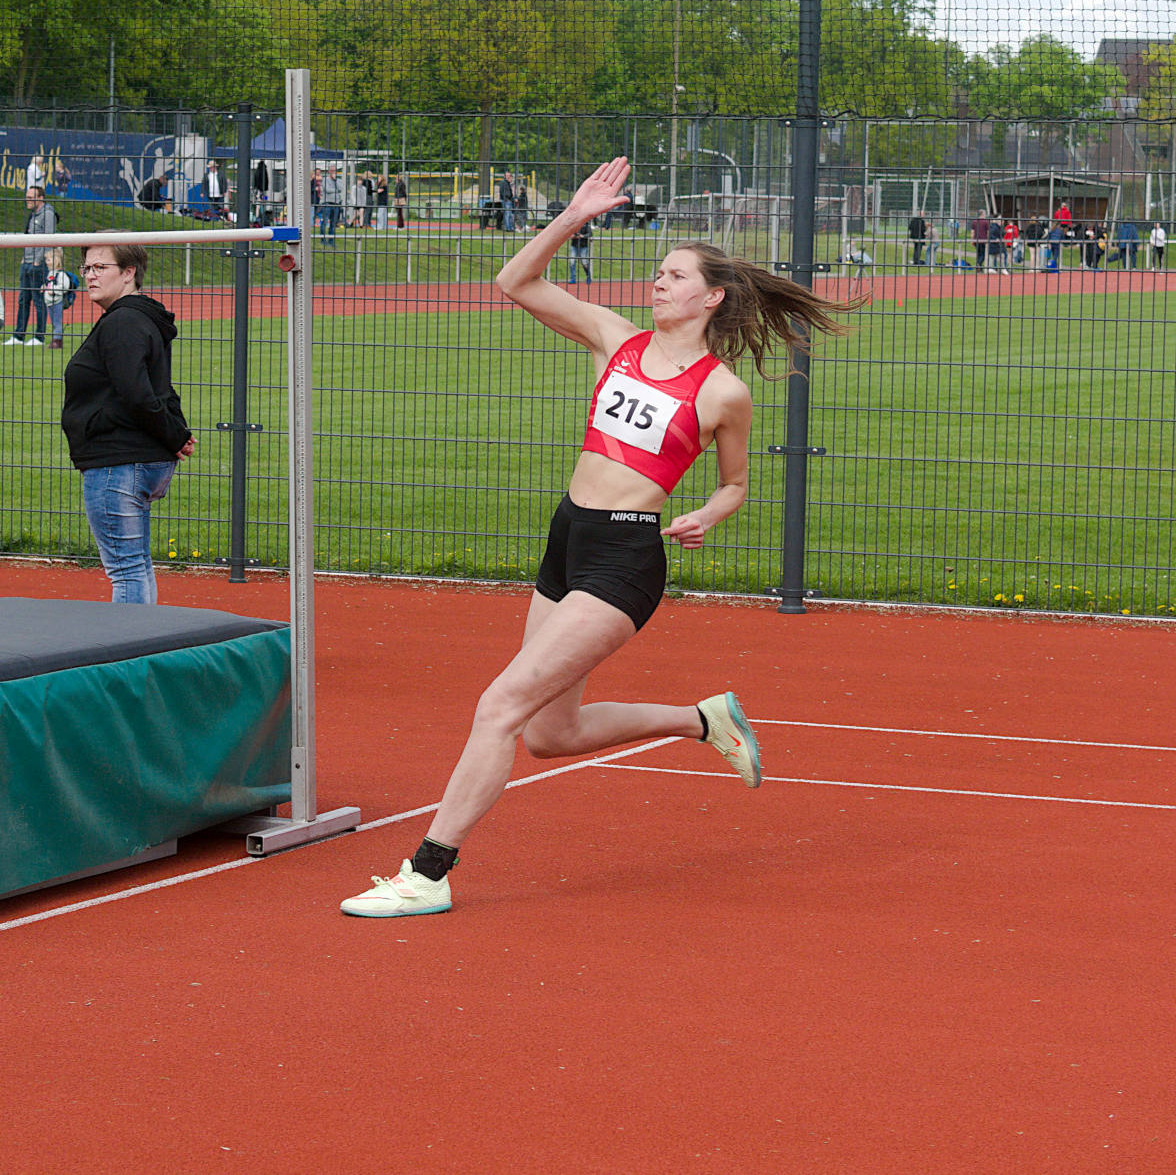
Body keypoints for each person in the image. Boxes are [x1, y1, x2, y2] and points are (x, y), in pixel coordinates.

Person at [338, 156, 859, 918]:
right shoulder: (614, 338)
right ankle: (702, 719)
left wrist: (707, 514)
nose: (659, 283)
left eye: (676, 276)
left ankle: (428, 872)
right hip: (569, 535)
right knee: (551, 733)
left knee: (501, 706)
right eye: (658, 272)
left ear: (712, 296)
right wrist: (573, 216)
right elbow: (514, 283)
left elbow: (736, 482)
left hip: (624, 555)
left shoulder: (723, 390)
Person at [60, 240, 195, 605]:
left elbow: (138, 394)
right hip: (134, 458)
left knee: (127, 570)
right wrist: (177, 434)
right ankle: (143, 647)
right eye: (87, 268)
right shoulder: (138, 319)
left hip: (119, 462)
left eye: (100, 267)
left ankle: (134, 656)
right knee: (136, 566)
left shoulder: (123, 322)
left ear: (129, 272)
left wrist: (173, 436)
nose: (89, 276)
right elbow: (159, 387)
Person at [7, 185, 59, 346]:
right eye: (27, 197)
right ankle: (19, 335)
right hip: (27, 262)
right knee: (23, 300)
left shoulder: (48, 214)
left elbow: (48, 239)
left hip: (38, 264)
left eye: (31, 197)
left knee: (39, 300)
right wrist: (25, 258)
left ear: (40, 198)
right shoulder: (33, 215)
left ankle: (39, 336)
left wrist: (38, 260)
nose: (27, 200)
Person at [41, 248, 78, 350]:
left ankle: (57, 341)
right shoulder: (50, 273)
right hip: (49, 301)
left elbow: (64, 287)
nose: (46, 262)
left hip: (57, 301)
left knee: (57, 321)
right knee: (53, 321)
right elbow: (49, 284)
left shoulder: (61, 274)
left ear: (55, 260)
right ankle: (56, 339)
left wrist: (53, 290)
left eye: (48, 260)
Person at [566, 217, 593, 284]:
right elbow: (569, 233)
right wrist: (572, 236)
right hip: (574, 245)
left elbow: (590, 234)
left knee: (584, 262)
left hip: (583, 246)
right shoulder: (574, 225)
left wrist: (582, 236)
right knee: (572, 262)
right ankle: (573, 278)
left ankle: (588, 276)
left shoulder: (587, 224)